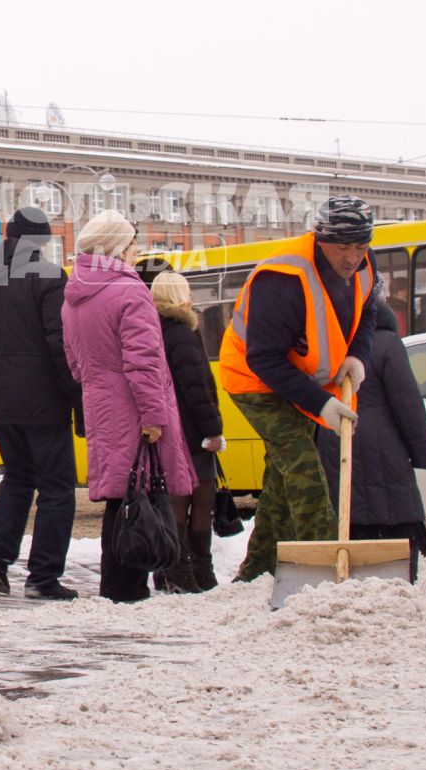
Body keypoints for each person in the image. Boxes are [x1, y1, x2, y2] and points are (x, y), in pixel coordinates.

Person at [223, 196, 376, 583]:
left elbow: (369, 312)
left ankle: (256, 570)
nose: (351, 258)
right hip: (252, 380)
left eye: (359, 247)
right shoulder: (284, 277)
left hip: (303, 379)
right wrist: (321, 403)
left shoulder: (364, 266)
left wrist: (357, 356)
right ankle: (323, 570)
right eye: (342, 247)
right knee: (304, 467)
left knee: (281, 477)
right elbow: (264, 359)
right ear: (319, 238)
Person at [60, 211, 197, 604]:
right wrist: (153, 415)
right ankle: (132, 587)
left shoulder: (74, 296)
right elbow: (144, 361)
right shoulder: (130, 291)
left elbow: (74, 362)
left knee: (122, 497)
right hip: (134, 405)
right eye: (133, 244)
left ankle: (117, 586)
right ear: (119, 248)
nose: (137, 252)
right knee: (143, 493)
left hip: (100, 404)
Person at [0, 207, 83, 600]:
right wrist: (75, 396)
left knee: (17, 479)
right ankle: (43, 577)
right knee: (58, 487)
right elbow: (59, 343)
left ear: (9, 236)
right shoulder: (50, 277)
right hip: (44, 402)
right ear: (43, 241)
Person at [312, 297, 426, 579]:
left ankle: (352, 576)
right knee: (392, 515)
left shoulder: (324, 347)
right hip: (384, 446)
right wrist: (421, 453)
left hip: (334, 440)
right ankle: (397, 577)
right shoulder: (387, 343)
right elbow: (408, 403)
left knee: (349, 513)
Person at [151, 270, 224, 592]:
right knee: (200, 498)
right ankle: (195, 570)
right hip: (192, 431)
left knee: (176, 498)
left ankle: (173, 569)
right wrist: (214, 429)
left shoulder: (153, 331)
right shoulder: (182, 333)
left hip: (169, 429)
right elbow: (198, 388)